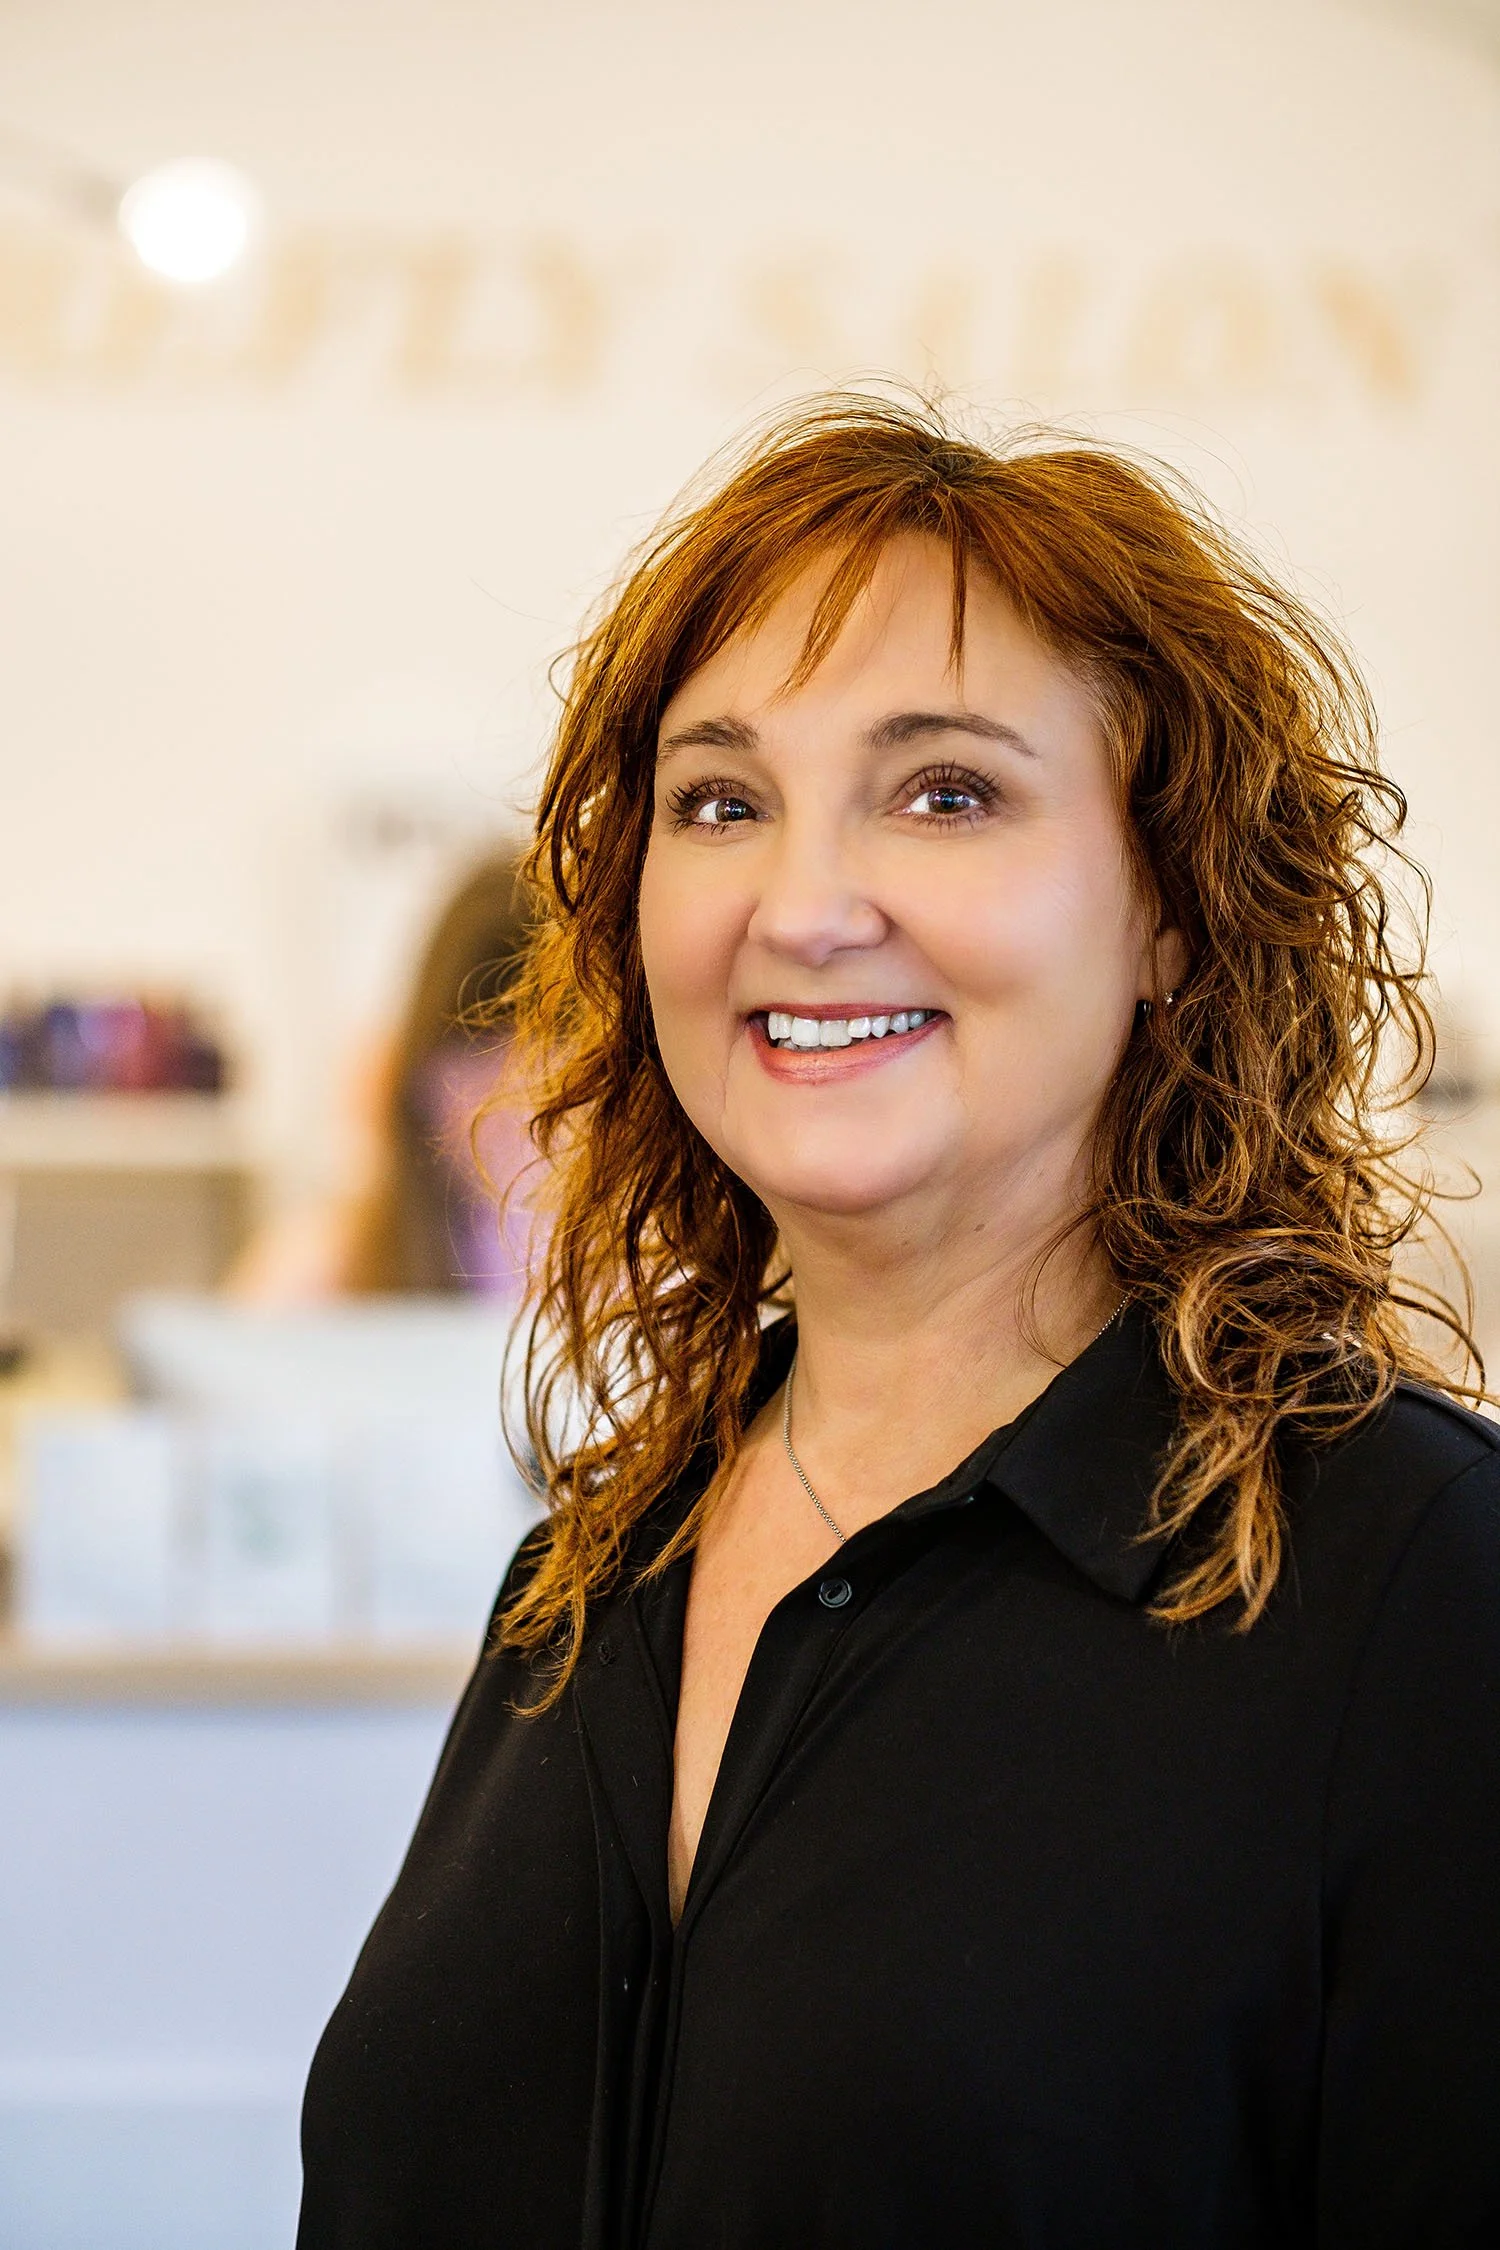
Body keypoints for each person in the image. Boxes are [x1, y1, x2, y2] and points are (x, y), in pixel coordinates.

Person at [296, 397, 1500, 2247]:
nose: (803, 904)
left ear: (1173, 901)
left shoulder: (1417, 1585)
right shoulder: (590, 1583)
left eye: (946, 791)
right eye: (722, 800)